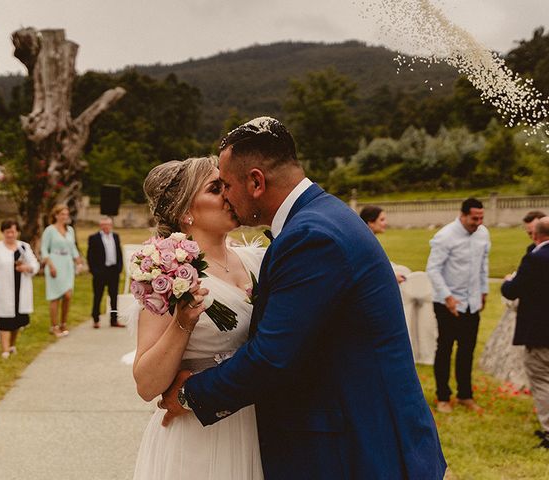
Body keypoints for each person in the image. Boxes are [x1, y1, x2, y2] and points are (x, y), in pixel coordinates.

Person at [160, 117, 446, 479]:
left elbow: (271, 357)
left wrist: (190, 394)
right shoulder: (321, 216)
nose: (227, 197)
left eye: (227, 185)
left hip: (358, 445)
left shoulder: (311, 236)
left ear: (256, 182)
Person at [132, 156, 265, 479]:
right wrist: (183, 324)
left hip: (257, 424)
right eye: (215, 188)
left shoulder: (256, 261)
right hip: (198, 436)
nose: (229, 194)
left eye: (227, 185)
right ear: (185, 212)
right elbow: (147, 385)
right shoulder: (168, 275)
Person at [426, 198, 490, 414]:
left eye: (481, 218)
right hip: (447, 304)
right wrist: (448, 297)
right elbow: (433, 269)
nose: (478, 222)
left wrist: (483, 291)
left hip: (471, 303)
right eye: (474, 218)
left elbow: (483, 265)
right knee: (444, 349)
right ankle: (443, 396)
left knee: (467, 350)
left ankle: (465, 395)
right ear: (462, 215)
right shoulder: (445, 236)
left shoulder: (483, 234)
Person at [501, 217, 549, 449]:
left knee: (541, 380)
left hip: (540, 332)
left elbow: (512, 291)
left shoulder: (535, 259)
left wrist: (508, 281)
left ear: (536, 235)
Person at [0, 220, 40, 359]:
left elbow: (35, 264)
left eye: (13, 231)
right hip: (4, 289)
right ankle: (5, 350)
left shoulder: (24, 247)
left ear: (17, 232)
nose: (10, 234)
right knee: (4, 320)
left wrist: (27, 268)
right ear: (3, 233)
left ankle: (12, 345)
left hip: (20, 288)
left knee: (17, 321)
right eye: (7, 232)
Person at [40, 204, 82, 338]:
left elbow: (73, 248)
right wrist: (50, 265)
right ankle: (54, 326)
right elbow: (44, 249)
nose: (65, 216)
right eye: (62, 214)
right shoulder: (50, 230)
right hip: (55, 263)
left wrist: (78, 260)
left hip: (67, 264)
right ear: (56, 215)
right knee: (55, 296)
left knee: (68, 296)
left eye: (66, 214)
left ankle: (64, 323)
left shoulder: (70, 230)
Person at [87, 217, 124, 328]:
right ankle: (96, 319)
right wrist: (94, 271)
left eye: (108, 224)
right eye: (104, 225)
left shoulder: (115, 236)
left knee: (114, 297)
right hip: (100, 271)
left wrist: (119, 267)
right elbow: (90, 256)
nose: (106, 227)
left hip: (113, 271)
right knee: (98, 296)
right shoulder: (94, 238)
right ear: (100, 226)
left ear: (111, 225)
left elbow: (119, 253)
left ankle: (114, 320)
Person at [360, 204, 406, 283]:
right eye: (382, 220)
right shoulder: (366, 243)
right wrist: (392, 278)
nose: (386, 223)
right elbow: (369, 273)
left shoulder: (368, 239)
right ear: (371, 222)